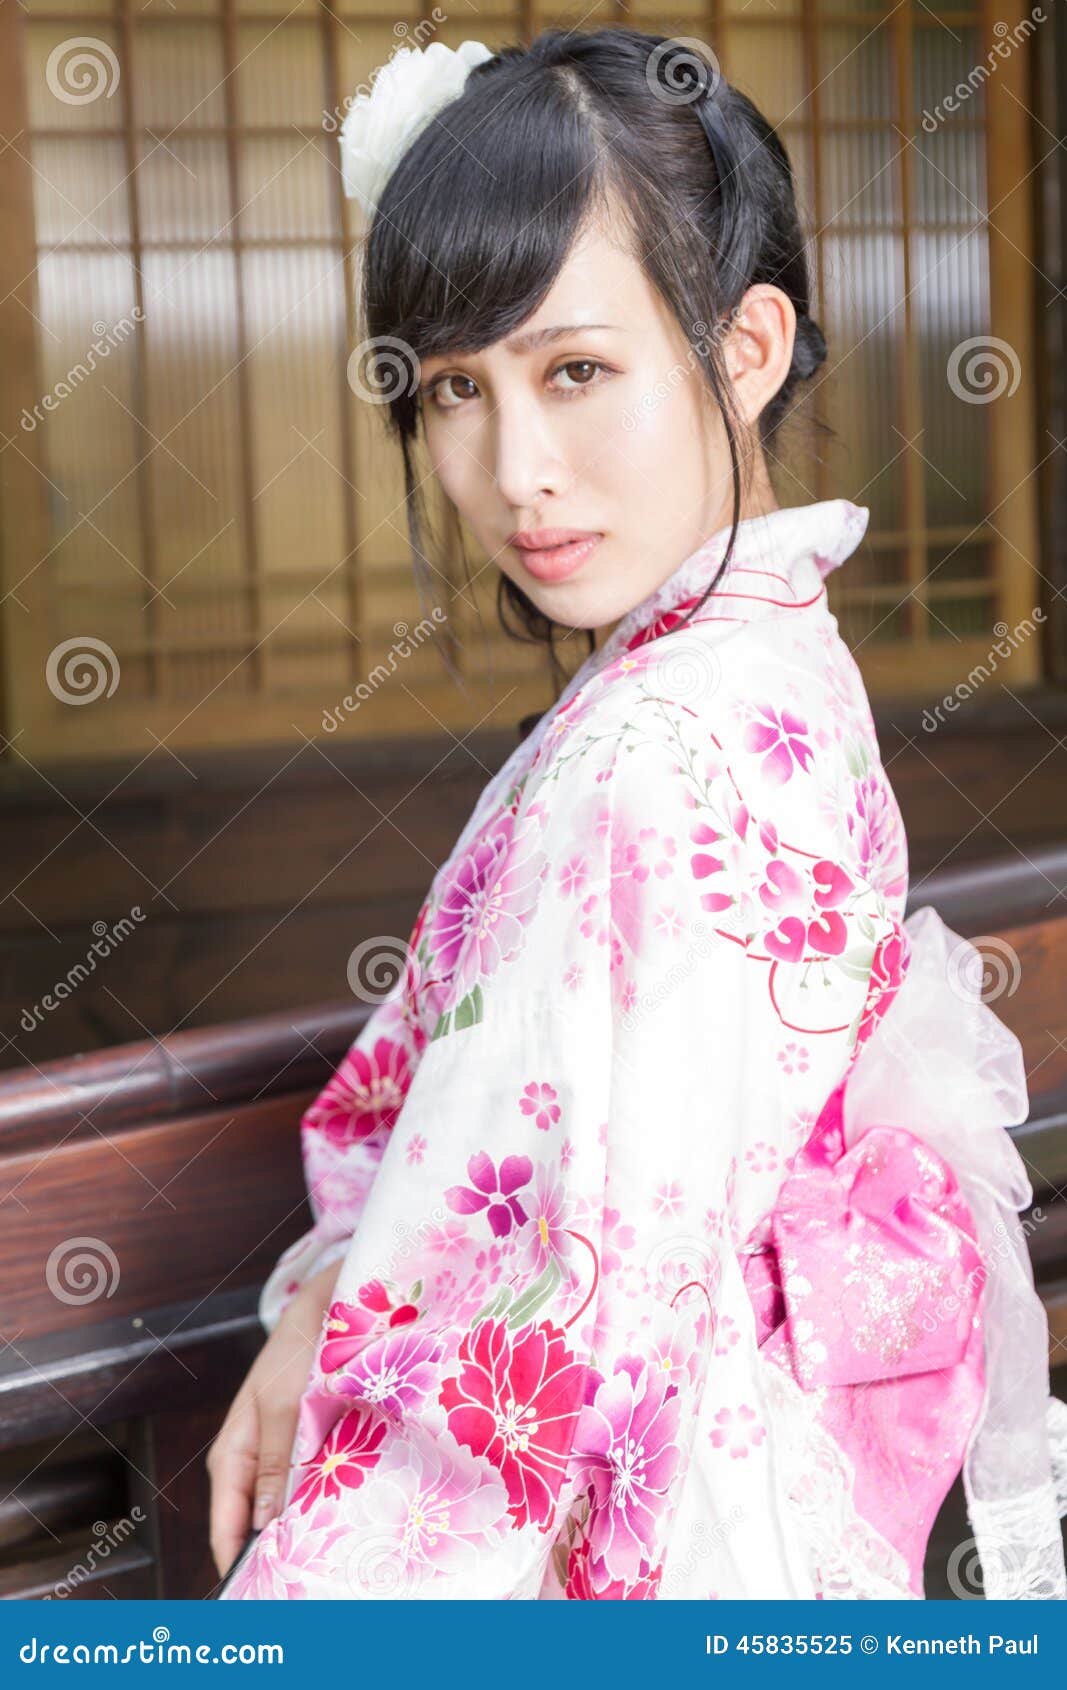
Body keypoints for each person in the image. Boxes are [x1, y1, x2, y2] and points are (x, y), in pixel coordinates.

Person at [208, 27, 1067, 1599]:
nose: (514, 470)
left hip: (635, 1518)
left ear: (745, 347)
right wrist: (335, 1288)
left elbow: (537, 1333)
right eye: (457, 388)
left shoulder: (654, 746)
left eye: (577, 370)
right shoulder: (762, 651)